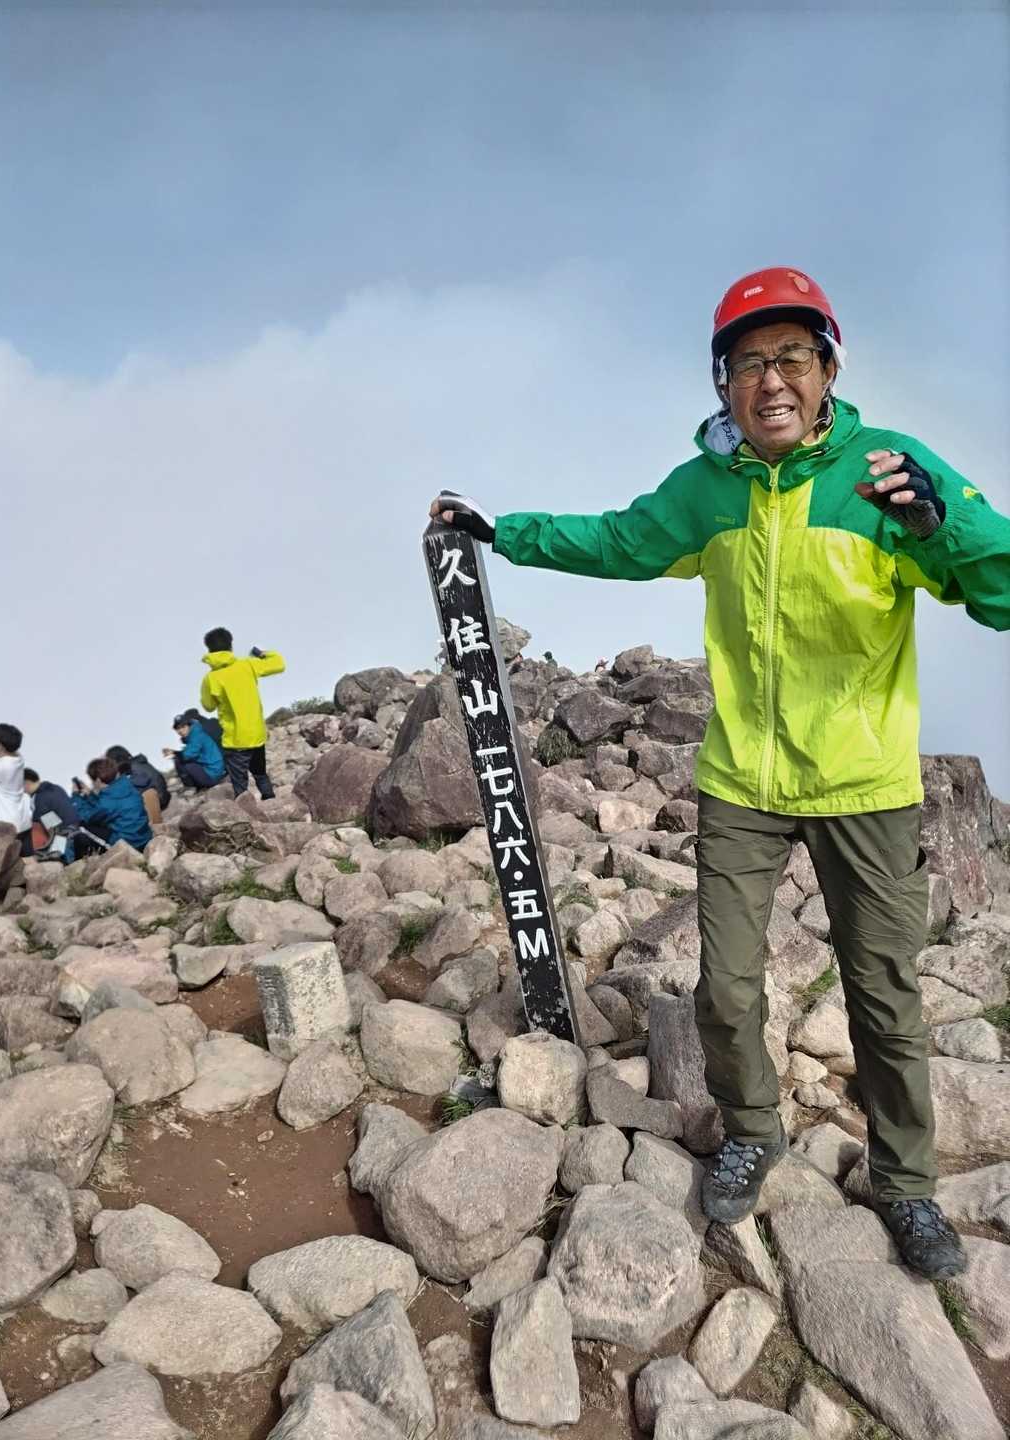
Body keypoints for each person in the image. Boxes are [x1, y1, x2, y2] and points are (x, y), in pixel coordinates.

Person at [430, 265, 1010, 1281]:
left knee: (883, 996)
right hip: (743, 780)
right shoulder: (707, 489)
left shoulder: (889, 472)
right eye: (747, 363)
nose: (770, 381)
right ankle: (753, 1129)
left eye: (791, 357)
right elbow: (620, 540)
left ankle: (906, 1184)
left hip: (864, 786)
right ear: (723, 384)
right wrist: (503, 533)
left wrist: (939, 527)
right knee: (728, 991)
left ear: (829, 370)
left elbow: (1000, 592)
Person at [199, 627, 285, 800]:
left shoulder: (211, 678)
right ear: (230, 645)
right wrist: (261, 653)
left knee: (240, 786)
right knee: (260, 773)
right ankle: (271, 801)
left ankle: (246, 812)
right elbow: (279, 664)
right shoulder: (247, 665)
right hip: (256, 733)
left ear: (209, 649)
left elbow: (208, 706)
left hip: (235, 740)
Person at [72, 756, 152, 852]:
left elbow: (88, 816)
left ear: (98, 780)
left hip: (130, 844)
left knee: (83, 825)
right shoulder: (128, 785)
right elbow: (106, 806)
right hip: (144, 837)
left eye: (92, 780)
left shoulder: (107, 802)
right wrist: (90, 795)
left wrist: (76, 797)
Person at [22, 768, 80, 856]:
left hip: (65, 835)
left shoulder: (39, 798)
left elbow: (52, 826)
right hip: (77, 828)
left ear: (26, 783)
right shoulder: (57, 788)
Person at [163, 713, 226, 791]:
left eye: (183, 727)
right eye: (178, 728)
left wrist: (174, 753)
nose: (181, 731)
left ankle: (190, 788)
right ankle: (195, 787)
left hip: (214, 774)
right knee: (181, 759)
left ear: (189, 725)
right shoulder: (195, 733)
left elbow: (187, 756)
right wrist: (174, 752)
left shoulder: (196, 735)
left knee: (181, 761)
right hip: (214, 771)